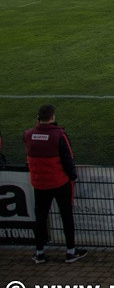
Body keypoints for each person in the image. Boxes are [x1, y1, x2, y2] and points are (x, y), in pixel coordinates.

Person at [24, 104, 87, 264]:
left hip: (39, 184)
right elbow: (68, 158)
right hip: (60, 182)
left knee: (41, 218)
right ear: (52, 117)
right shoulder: (59, 135)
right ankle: (70, 252)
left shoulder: (29, 135)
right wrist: (73, 176)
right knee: (66, 216)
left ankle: (39, 253)